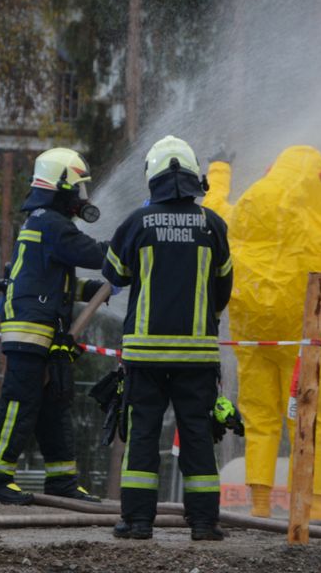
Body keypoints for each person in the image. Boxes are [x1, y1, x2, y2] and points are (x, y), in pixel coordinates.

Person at [202, 146, 321, 520]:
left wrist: (219, 168)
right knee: (308, 418)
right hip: (299, 343)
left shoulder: (239, 215)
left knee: (261, 419)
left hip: (251, 338)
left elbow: (213, 203)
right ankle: (310, 503)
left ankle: (260, 503)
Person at [103, 136, 233, 541]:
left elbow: (115, 276)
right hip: (196, 355)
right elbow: (224, 287)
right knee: (196, 432)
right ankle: (204, 524)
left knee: (142, 432)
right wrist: (206, 320)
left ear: (152, 178)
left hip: (144, 355)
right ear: (195, 177)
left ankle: (138, 522)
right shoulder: (213, 225)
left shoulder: (136, 223)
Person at [0, 147, 106, 505]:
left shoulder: (44, 222)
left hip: (44, 329)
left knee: (55, 404)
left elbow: (52, 281)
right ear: (62, 187)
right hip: (31, 332)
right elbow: (94, 254)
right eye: (79, 188)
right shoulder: (51, 223)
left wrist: (92, 290)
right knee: (20, 403)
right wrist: (130, 246)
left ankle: (62, 481)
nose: (83, 197)